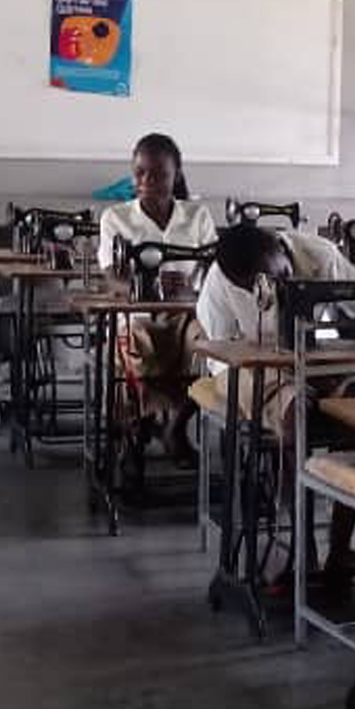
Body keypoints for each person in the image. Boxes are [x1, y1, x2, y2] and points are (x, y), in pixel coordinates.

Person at [192, 224, 355, 581]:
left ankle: (340, 546)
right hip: (244, 369)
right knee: (293, 413)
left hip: (310, 358)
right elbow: (221, 350)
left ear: (282, 251)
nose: (275, 289)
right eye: (258, 286)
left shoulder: (320, 256)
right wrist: (277, 370)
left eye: (280, 277)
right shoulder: (219, 281)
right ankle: (303, 550)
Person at [97, 133, 218, 467]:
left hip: (186, 315)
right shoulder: (116, 218)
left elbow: (214, 272)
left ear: (175, 174)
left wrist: (191, 291)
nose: (147, 181)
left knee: (213, 347)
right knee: (132, 347)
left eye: (159, 174)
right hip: (138, 316)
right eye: (140, 173)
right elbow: (112, 276)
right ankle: (139, 424)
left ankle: (176, 428)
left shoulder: (197, 217)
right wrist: (144, 287)